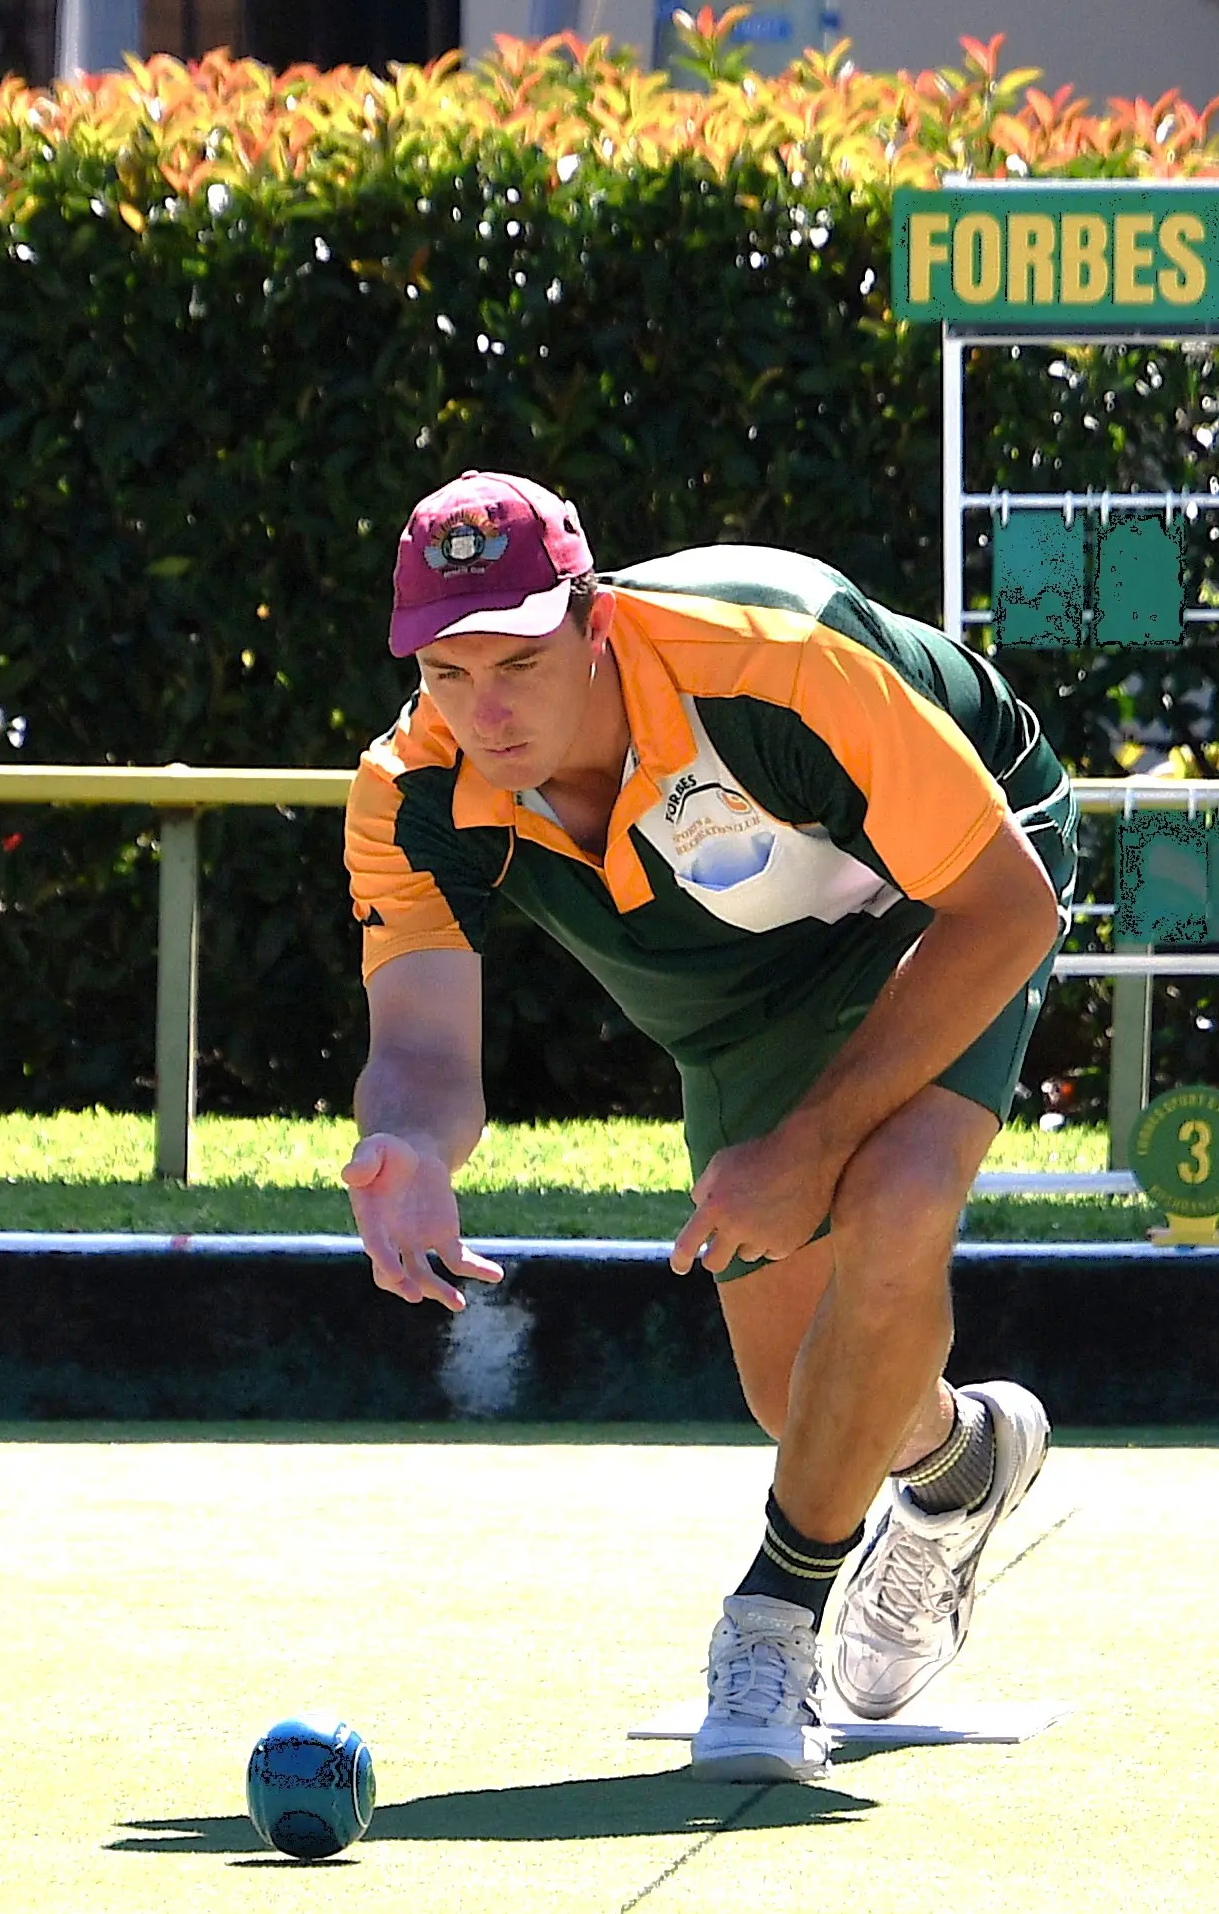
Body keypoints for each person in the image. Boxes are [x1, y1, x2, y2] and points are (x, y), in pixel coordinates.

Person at [336, 471, 1075, 1779]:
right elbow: (426, 1056)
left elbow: (1007, 908)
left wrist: (804, 1149)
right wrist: (404, 1148)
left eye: (516, 659)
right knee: (796, 1401)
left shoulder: (777, 665)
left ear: (596, 620)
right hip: (744, 993)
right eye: (448, 672)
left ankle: (774, 1617)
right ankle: (961, 1465)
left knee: (893, 1198)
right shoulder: (409, 795)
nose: (484, 708)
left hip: (956, 889)